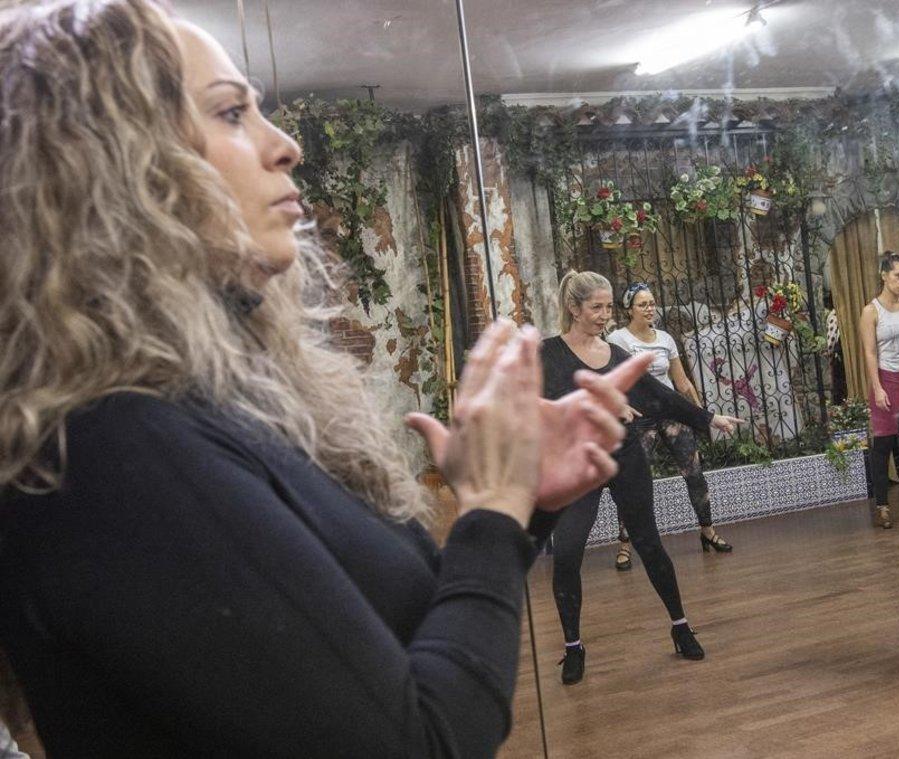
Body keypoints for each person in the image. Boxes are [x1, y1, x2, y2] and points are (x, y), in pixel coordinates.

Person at [0, 2, 643, 755]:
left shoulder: (213, 408)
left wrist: (515, 500)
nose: (287, 146)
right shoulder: (113, 451)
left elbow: (397, 646)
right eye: (233, 112)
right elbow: (419, 742)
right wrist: (493, 508)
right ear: (112, 164)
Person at [540, 271, 744, 685]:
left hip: (625, 455)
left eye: (608, 306)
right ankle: (573, 647)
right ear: (573, 308)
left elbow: (661, 395)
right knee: (567, 553)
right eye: (595, 307)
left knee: (649, 542)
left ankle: (681, 626)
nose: (603, 314)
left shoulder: (616, 355)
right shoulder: (548, 355)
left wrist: (709, 418)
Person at [606, 282, 734, 571]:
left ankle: (707, 532)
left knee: (695, 472)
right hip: (639, 416)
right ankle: (624, 545)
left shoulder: (665, 339)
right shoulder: (618, 339)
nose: (650, 308)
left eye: (652, 303)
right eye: (642, 304)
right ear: (629, 309)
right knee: (633, 480)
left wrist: (701, 413)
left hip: (671, 413)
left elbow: (682, 382)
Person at [859, 251, 899, 529]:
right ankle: (882, 506)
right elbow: (869, 353)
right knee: (883, 445)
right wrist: (877, 388)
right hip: (886, 380)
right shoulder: (871, 311)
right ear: (884, 275)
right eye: (898, 275)